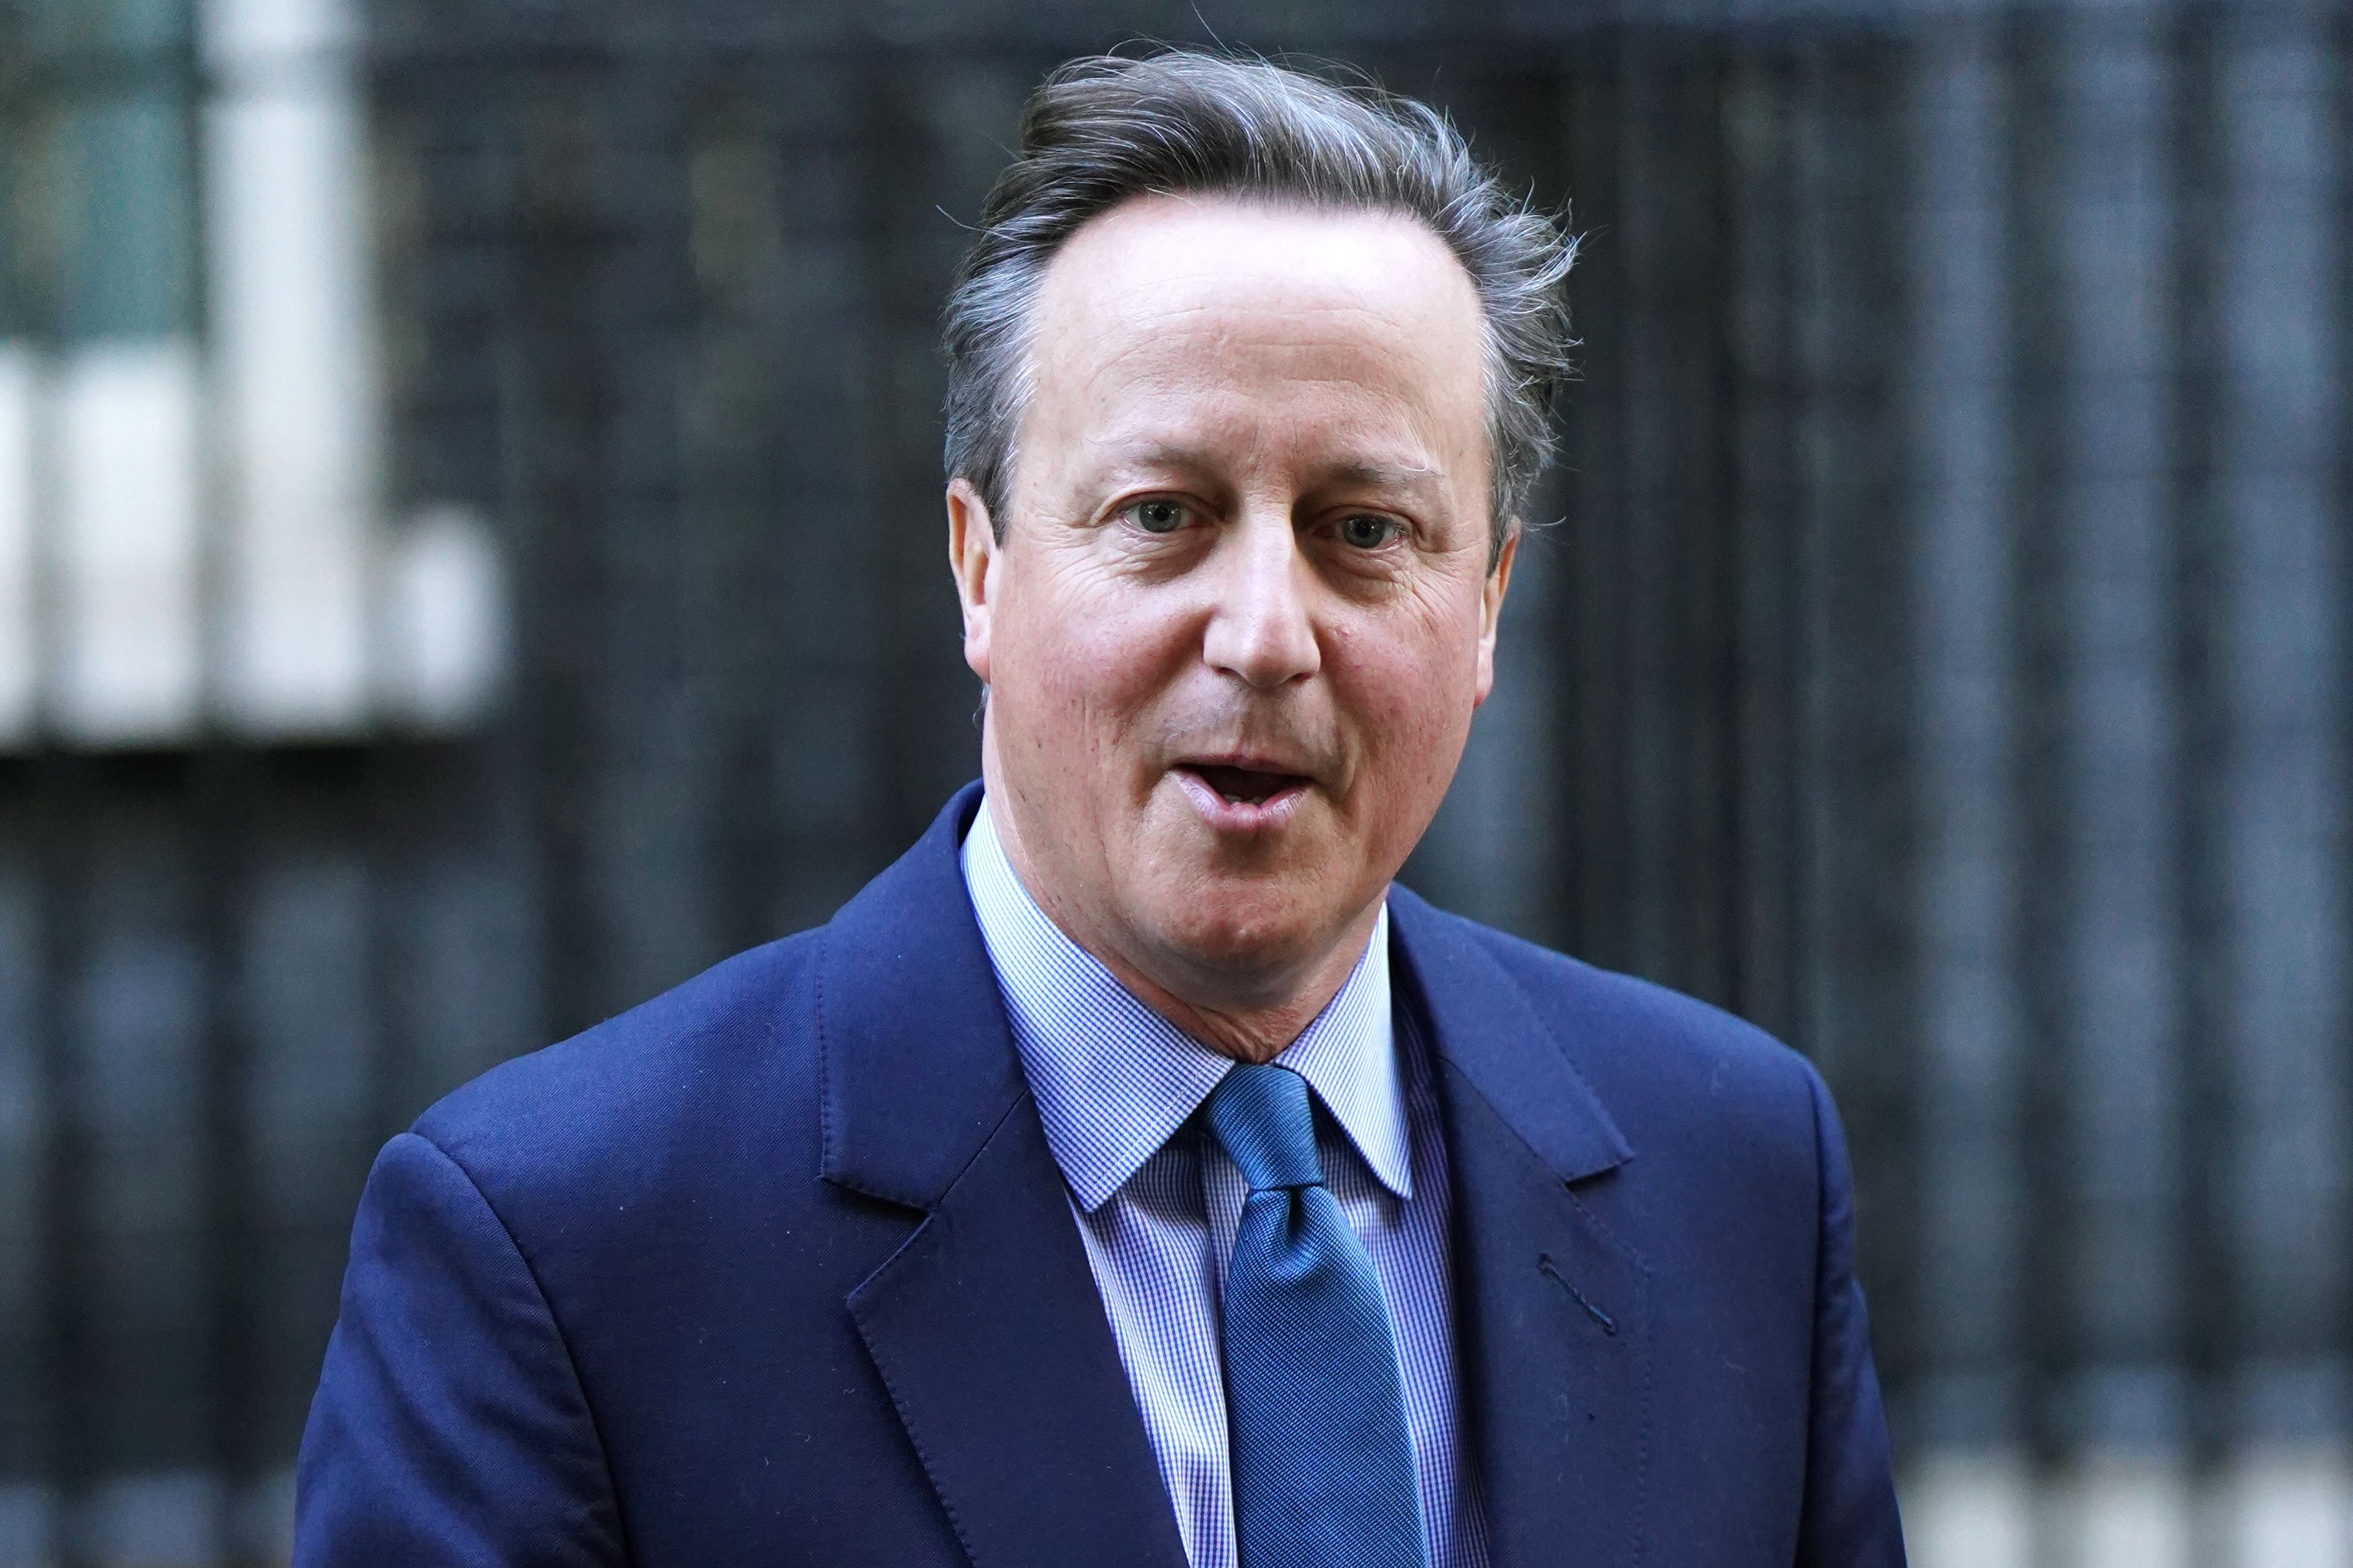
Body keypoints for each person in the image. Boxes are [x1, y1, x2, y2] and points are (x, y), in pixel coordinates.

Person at [295, 48, 1905, 1568]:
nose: (1266, 630)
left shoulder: (1736, 1171)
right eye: (1163, 514)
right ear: (979, 564)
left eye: (1361, 526)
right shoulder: (560, 1253)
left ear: (1484, 602)